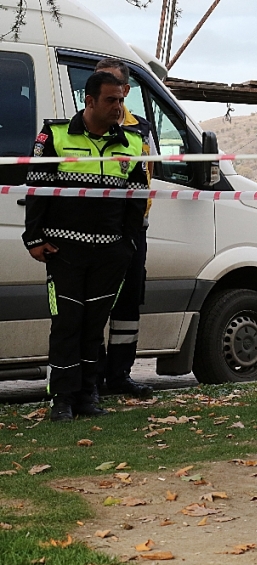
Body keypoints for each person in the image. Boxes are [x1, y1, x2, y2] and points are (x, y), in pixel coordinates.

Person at [23, 71, 148, 422]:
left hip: (111, 254)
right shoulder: (55, 136)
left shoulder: (133, 143)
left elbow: (136, 202)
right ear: (89, 101)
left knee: (94, 327)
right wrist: (33, 238)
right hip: (64, 253)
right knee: (67, 324)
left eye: (122, 100)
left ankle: (87, 396)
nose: (119, 107)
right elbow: (36, 189)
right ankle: (61, 399)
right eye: (111, 100)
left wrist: (127, 245)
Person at [92, 58, 156, 399]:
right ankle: (94, 376)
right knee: (94, 304)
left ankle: (120, 375)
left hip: (133, 229)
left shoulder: (142, 129)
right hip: (96, 228)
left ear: (126, 90)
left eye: (115, 85)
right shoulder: (86, 123)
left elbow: (150, 173)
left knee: (128, 306)